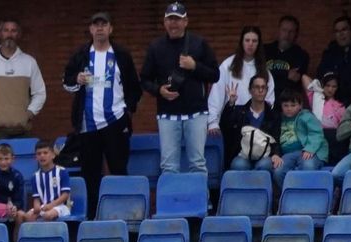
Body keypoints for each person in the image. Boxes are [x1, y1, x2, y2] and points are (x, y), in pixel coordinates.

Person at [63, 12, 141, 210]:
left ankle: (123, 214)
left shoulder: (121, 55)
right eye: (95, 25)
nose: (99, 28)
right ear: (90, 29)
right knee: (90, 174)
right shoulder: (81, 55)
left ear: (110, 29)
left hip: (115, 122)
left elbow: (134, 87)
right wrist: (76, 80)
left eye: (103, 24)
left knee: (118, 171)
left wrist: (127, 112)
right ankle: (92, 216)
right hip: (87, 125)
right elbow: (67, 82)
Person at [140, 3, 219, 175]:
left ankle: (201, 201)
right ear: (164, 22)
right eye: (170, 19)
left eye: (177, 19)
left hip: (196, 113)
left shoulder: (199, 44)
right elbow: (144, 79)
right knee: (168, 166)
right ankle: (171, 202)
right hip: (167, 114)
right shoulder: (156, 46)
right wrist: (159, 90)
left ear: (186, 21)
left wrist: (194, 66)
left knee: (197, 163)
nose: (173, 24)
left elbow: (215, 75)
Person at [0, 19, 46, 147]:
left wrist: (29, 113)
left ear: (19, 34)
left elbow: (40, 93)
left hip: (23, 130)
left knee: (23, 165)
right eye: (6, 30)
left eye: (13, 31)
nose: (9, 34)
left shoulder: (29, 62)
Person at [208, 25, 277, 135]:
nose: (250, 44)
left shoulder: (264, 70)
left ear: (259, 44)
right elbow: (216, 95)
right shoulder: (228, 65)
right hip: (232, 122)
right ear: (241, 42)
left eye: (254, 41)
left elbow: (269, 100)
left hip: (257, 125)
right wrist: (213, 122)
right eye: (247, 40)